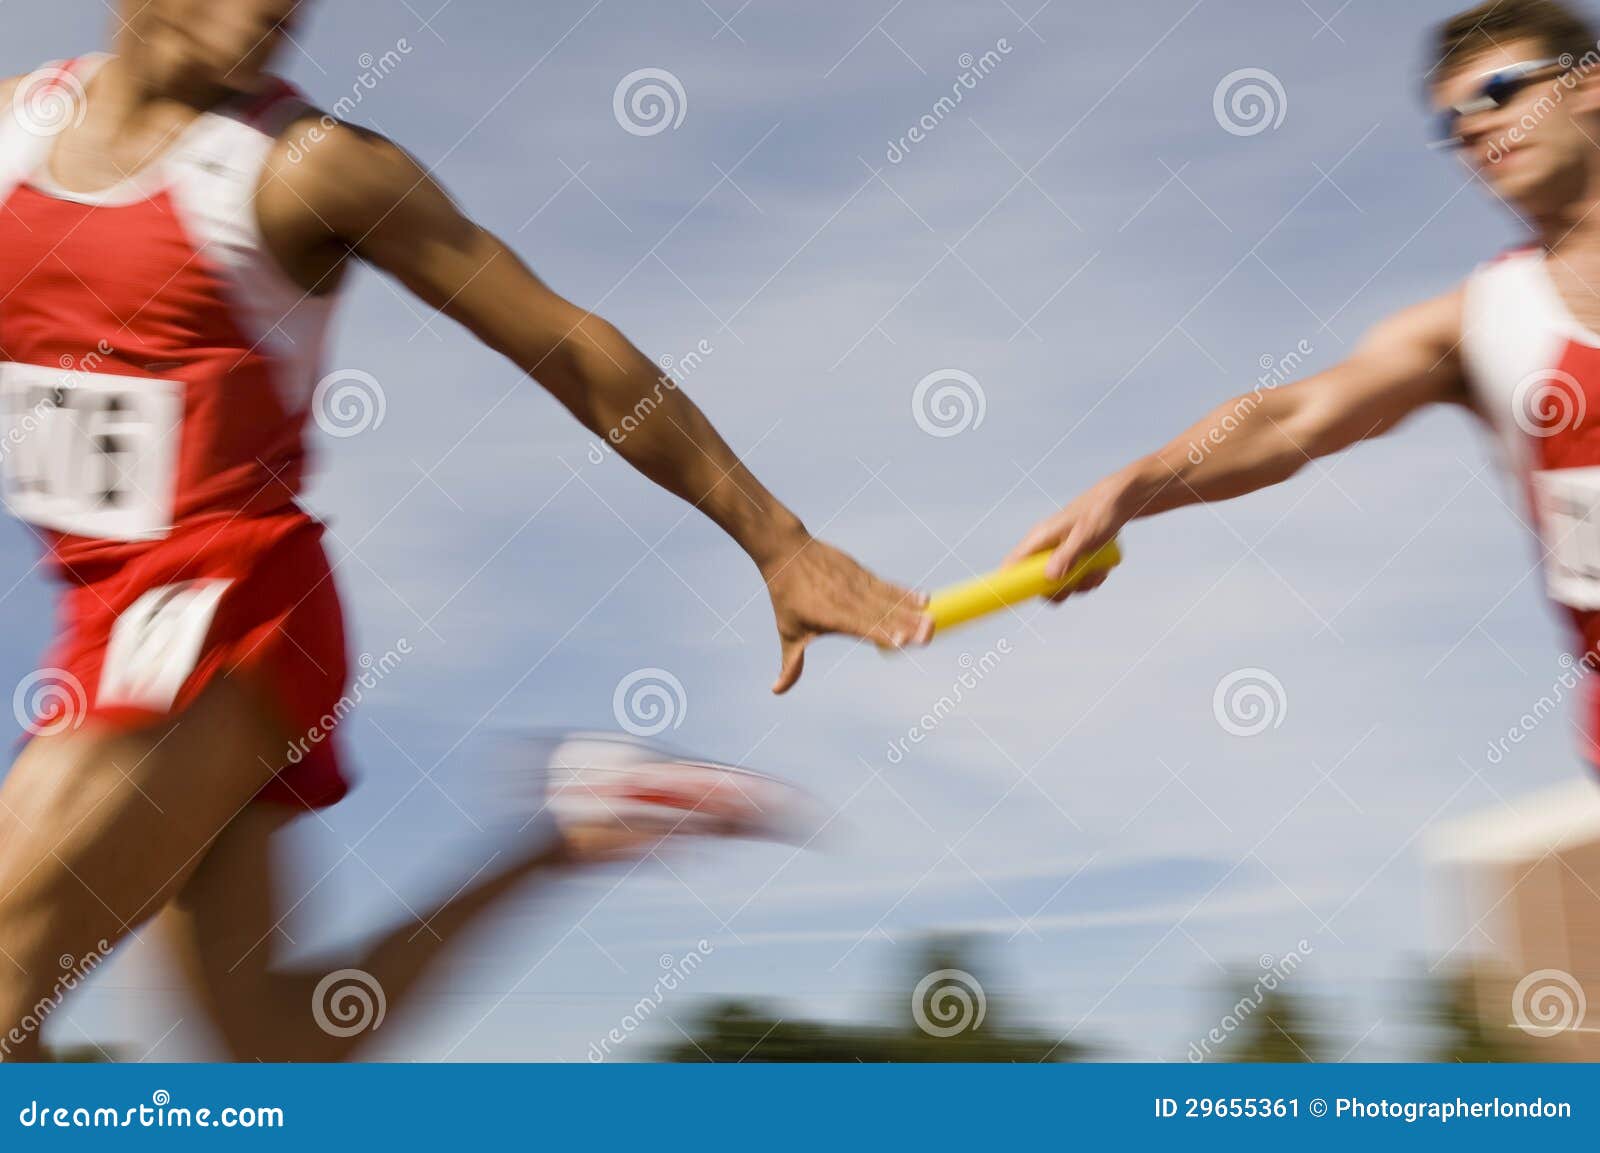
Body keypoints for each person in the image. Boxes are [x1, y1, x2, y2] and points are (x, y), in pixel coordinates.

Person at [0, 0, 930, 1060]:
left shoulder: (304, 170)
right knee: (271, 1040)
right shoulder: (16, 133)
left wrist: (777, 539)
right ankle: (565, 831)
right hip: (100, 617)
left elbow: (569, 345)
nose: (275, 8)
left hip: (222, 606)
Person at [1010, 0, 1600, 773]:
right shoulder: (1472, 325)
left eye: (1498, 93)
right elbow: (1292, 416)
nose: (1471, 129)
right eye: (1450, 120)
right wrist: (1136, 486)